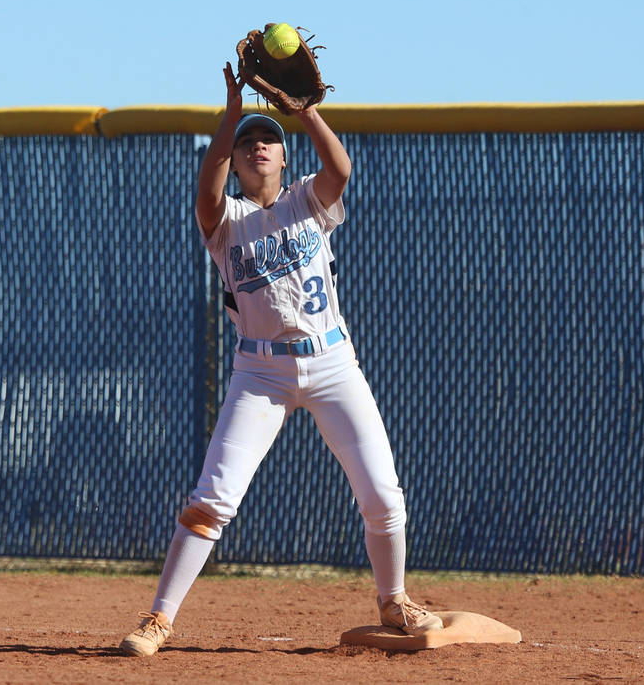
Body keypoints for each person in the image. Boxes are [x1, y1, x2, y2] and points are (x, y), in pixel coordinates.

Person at [119, 63, 443, 657]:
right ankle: (158, 619)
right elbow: (207, 188)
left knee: (382, 496)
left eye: (268, 140)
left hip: (332, 364)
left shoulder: (309, 201)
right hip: (259, 373)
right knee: (212, 500)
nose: (257, 146)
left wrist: (303, 111)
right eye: (247, 144)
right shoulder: (225, 222)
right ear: (235, 161)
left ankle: (393, 600)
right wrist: (232, 112)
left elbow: (341, 168)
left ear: (285, 157)